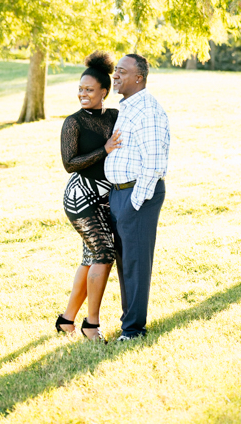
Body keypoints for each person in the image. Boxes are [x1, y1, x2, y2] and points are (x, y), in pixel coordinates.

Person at [56, 51, 122, 342]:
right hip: (80, 198)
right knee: (104, 255)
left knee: (91, 258)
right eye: (80, 89)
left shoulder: (115, 117)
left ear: (103, 92)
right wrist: (103, 150)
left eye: (89, 90)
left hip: (105, 198)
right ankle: (91, 325)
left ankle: (66, 321)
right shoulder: (73, 122)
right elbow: (70, 163)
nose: (83, 94)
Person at [105, 53, 170, 341]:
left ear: (138, 77)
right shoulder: (128, 107)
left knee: (136, 264)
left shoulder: (148, 110)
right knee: (125, 264)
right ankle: (128, 323)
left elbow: (155, 162)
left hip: (137, 196)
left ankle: (133, 331)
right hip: (121, 195)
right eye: (115, 70)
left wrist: (135, 202)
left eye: (121, 71)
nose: (115, 75)